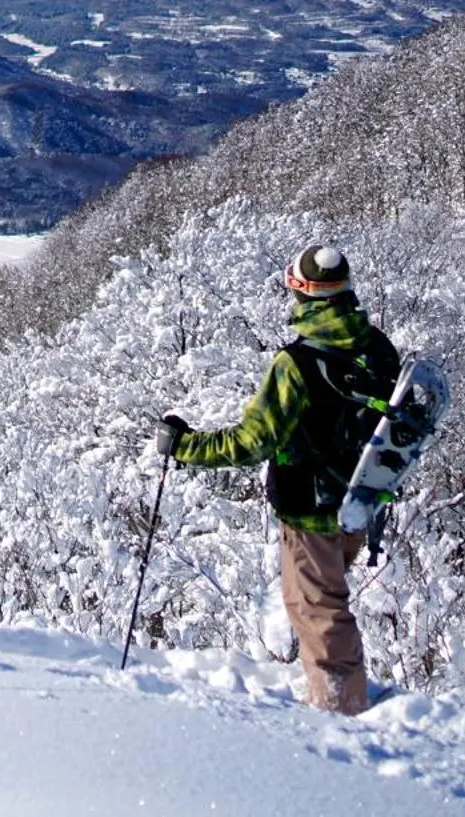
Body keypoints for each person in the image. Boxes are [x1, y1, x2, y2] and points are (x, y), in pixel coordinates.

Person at [155, 244, 400, 715]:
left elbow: (251, 442)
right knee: (326, 604)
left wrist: (184, 447)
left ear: (303, 294)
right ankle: (336, 696)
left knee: (319, 611)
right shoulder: (377, 347)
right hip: (361, 503)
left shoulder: (298, 365)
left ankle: (341, 714)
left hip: (310, 510)